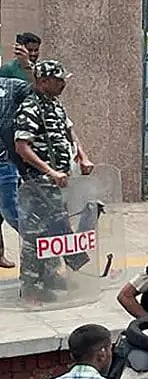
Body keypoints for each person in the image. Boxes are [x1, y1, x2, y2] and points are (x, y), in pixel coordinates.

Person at [13, 60, 95, 295]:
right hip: (39, 184)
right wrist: (50, 171)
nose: (63, 84)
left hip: (62, 182)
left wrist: (83, 157)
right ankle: (31, 286)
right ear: (43, 81)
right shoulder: (31, 108)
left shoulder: (56, 105)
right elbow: (22, 147)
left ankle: (50, 277)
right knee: (35, 236)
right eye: (59, 80)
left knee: (56, 230)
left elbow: (71, 134)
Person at [0, 60, 30, 269]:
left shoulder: (10, 86)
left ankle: (40, 247)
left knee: (12, 211)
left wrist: (27, 65)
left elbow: (38, 89)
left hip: (4, 162)